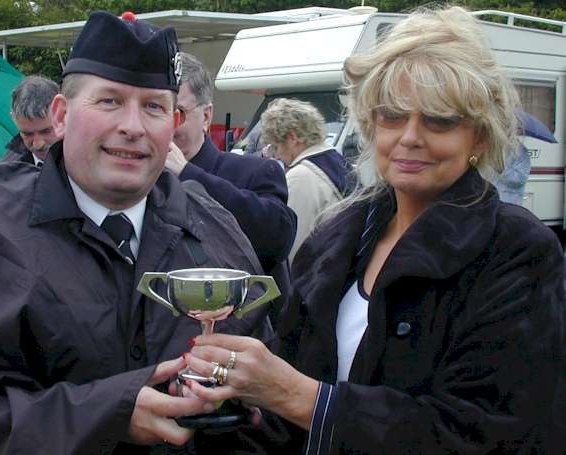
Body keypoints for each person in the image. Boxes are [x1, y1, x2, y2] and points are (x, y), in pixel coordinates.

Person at [182, 7, 565, 454]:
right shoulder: (337, 237)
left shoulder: (517, 249)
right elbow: (285, 405)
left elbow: (485, 432)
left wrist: (298, 397)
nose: (410, 137)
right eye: (393, 116)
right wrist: (239, 406)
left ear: (479, 138)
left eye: (439, 120)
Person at [0, 11, 271, 454]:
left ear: (173, 124)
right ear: (60, 116)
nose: (133, 127)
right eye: (109, 101)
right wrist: (104, 415)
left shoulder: (215, 226)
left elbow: (270, 386)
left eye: (154, 106)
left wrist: (248, 409)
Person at [165, 52, 296, 323]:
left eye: (179, 113)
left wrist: (188, 173)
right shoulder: (137, 183)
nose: (169, 126)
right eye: (156, 110)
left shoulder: (253, 170)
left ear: (206, 115)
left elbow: (277, 236)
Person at [260, 98, 350, 261]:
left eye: (276, 146)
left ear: (293, 137)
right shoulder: (339, 162)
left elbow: (293, 249)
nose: (277, 156)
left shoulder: (301, 177)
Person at [0, 75, 59, 165]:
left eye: (46, 131)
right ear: (13, 119)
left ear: (63, 113)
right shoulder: (6, 174)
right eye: (27, 134)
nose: (38, 145)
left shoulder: (87, 153)